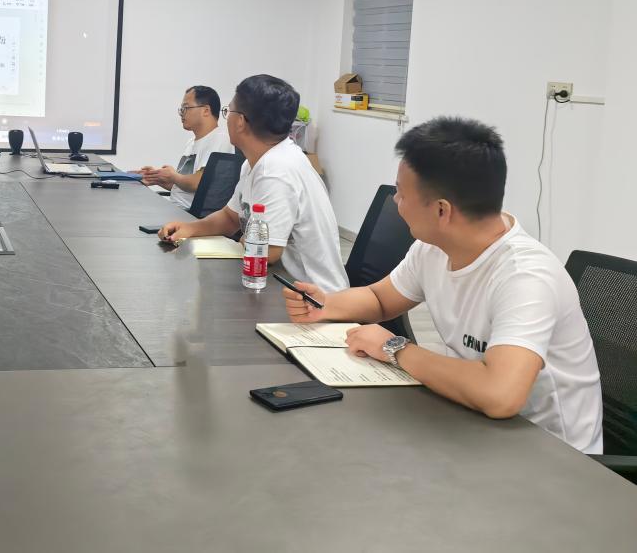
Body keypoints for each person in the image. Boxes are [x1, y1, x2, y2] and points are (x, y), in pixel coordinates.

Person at [282, 117, 603, 453]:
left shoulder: (526, 277)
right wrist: (325, 304)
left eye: (402, 193)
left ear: (441, 211)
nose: (396, 201)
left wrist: (394, 348)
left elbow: (500, 395)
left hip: (552, 455)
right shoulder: (433, 248)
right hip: (475, 424)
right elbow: (380, 298)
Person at [159, 75, 348, 292]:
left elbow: (266, 253)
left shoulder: (276, 170)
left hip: (315, 298)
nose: (226, 119)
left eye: (228, 111)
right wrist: (190, 228)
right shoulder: (255, 163)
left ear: (240, 121)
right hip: (278, 283)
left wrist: (245, 239)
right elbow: (230, 217)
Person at [135, 86, 232, 211]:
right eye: (181, 109)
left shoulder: (220, 139)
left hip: (190, 215)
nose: (182, 113)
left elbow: (198, 183)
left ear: (206, 110)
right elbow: (183, 187)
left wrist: (173, 176)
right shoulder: (191, 142)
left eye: (186, 108)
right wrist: (157, 178)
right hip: (177, 209)